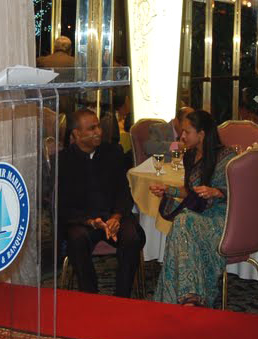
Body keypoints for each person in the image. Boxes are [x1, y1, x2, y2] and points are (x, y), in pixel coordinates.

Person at [149, 110, 236, 307]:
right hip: (197, 215)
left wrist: (217, 192)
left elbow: (241, 192)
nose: (182, 136)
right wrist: (168, 190)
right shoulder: (189, 156)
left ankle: (179, 298)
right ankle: (190, 298)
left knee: (182, 221)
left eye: (187, 132)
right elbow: (190, 192)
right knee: (183, 222)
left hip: (222, 219)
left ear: (202, 134)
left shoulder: (227, 158)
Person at [58, 109, 146, 298]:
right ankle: (91, 296)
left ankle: (122, 297)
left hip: (113, 216)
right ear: (76, 134)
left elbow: (124, 191)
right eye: (91, 128)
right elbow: (61, 204)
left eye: (98, 126)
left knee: (131, 237)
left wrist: (116, 217)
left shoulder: (113, 152)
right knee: (77, 239)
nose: (98, 131)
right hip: (83, 221)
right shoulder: (63, 161)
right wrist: (90, 221)